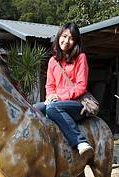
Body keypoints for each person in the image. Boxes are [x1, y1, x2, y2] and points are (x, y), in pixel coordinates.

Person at [34, 23, 93, 156]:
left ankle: (80, 142)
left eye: (71, 38)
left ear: (75, 42)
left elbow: (81, 86)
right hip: (55, 102)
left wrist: (59, 97)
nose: (66, 41)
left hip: (76, 103)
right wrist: (50, 96)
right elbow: (50, 85)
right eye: (64, 36)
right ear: (59, 36)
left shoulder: (80, 57)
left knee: (52, 109)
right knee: (33, 110)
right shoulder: (53, 61)